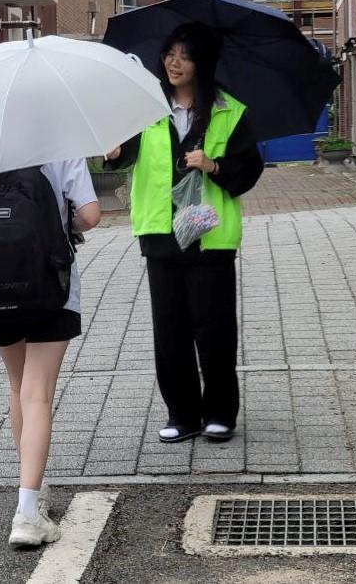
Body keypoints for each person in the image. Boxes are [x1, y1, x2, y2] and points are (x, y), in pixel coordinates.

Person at [106, 22, 263, 444]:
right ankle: (182, 413)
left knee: (214, 330)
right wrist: (116, 152)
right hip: (159, 232)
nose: (174, 63)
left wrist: (213, 165)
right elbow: (125, 158)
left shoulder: (230, 111)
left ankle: (219, 414)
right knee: (170, 330)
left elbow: (250, 170)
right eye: (170, 53)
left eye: (186, 56)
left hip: (210, 235)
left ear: (202, 62)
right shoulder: (146, 108)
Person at [0, 160, 101, 548]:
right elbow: (91, 215)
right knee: (38, 393)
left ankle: (32, 487)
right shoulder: (62, 139)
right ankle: (28, 512)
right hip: (52, 284)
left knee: (19, 386)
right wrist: (63, 222)